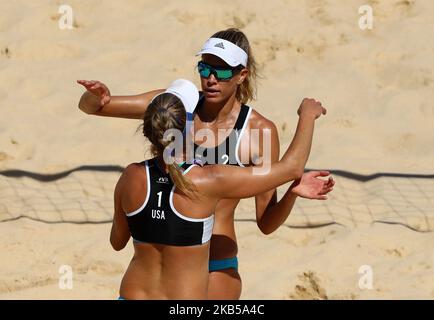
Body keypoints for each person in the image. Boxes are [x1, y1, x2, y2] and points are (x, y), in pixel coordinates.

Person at [78, 28, 334, 299]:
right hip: (163, 258)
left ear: (242, 75)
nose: (210, 79)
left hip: (216, 266)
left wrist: (292, 193)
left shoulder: (259, 132)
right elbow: (92, 107)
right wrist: (97, 97)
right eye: (204, 67)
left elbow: (266, 223)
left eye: (222, 72)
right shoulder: (177, 106)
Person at [110, 79, 327, 299]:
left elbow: (117, 242)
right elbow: (292, 167)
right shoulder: (209, 180)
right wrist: (308, 115)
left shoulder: (131, 176)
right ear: (188, 127)